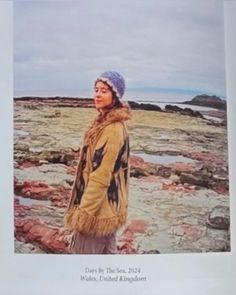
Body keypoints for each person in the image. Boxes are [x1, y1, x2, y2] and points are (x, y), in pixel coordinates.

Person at [65, 71, 131, 254]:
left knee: (84, 266)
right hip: (108, 210)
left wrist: (84, 215)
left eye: (104, 90)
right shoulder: (105, 124)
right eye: (96, 90)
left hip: (97, 214)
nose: (97, 95)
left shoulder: (111, 129)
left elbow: (100, 177)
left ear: (115, 96)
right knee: (107, 264)